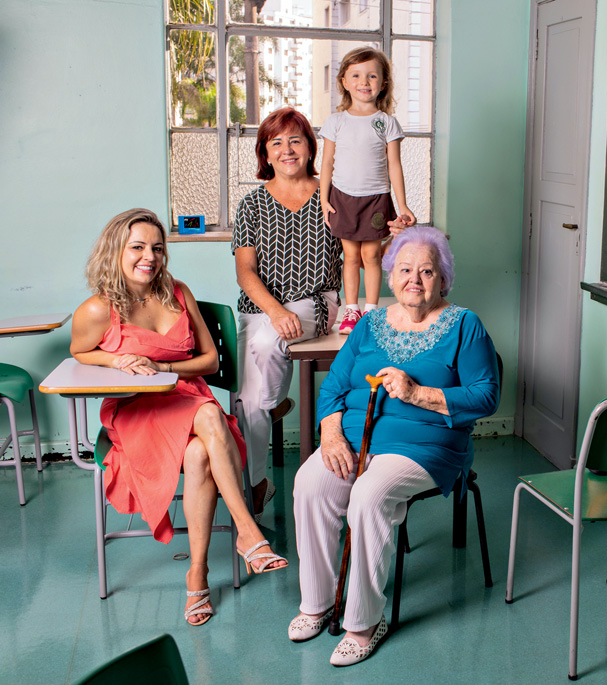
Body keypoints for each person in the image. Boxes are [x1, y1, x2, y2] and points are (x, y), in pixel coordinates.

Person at [288, 225, 499, 667]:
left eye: (427, 271)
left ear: (443, 279)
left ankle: (365, 622)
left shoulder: (465, 325)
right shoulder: (369, 324)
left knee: (369, 494)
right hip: (356, 437)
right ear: (389, 276)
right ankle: (318, 601)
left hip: (427, 446)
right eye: (405, 270)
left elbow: (486, 395)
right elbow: (334, 388)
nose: (415, 280)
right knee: (310, 482)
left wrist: (418, 393)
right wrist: (330, 433)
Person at [70, 208, 287, 627]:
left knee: (200, 451)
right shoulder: (98, 309)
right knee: (209, 417)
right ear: (116, 250)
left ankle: (198, 574)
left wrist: (166, 369)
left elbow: (208, 361)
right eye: (137, 247)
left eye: (156, 247)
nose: (148, 256)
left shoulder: (176, 292)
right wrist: (116, 359)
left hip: (185, 394)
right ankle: (248, 533)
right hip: (137, 408)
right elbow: (79, 352)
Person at [232, 107, 344, 520]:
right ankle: (259, 480)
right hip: (261, 306)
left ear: (310, 146)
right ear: (265, 151)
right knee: (247, 402)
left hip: (316, 302)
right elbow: (245, 273)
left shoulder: (332, 193)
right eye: (276, 142)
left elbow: (363, 249)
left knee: (264, 351)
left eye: (295, 139)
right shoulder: (251, 205)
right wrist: (275, 309)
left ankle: (272, 408)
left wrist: (394, 232)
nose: (287, 149)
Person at [318, 46, 416, 335]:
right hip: (343, 198)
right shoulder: (336, 122)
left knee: (372, 257)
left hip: (376, 199)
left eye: (372, 76)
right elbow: (326, 165)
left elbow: (394, 166)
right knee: (349, 257)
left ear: (383, 83)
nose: (364, 82)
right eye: (357, 75)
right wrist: (324, 200)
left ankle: (371, 312)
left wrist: (403, 205)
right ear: (344, 82)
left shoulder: (386, 123)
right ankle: (352, 311)